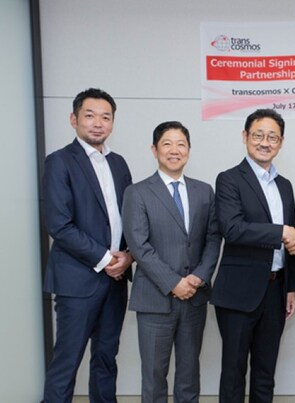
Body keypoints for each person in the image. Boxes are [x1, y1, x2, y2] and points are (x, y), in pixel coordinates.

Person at [42, 88, 133, 403]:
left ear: (112, 123)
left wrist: (128, 256)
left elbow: (129, 218)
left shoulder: (119, 164)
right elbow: (60, 225)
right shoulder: (59, 162)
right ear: (74, 119)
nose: (98, 123)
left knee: (106, 359)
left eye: (105, 117)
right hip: (78, 281)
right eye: (90, 115)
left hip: (116, 281)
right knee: (67, 362)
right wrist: (107, 259)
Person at [122, 121, 221, 403]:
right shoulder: (137, 192)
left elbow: (213, 238)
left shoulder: (204, 191)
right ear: (154, 150)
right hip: (155, 299)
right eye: (167, 144)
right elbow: (139, 246)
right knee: (154, 377)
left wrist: (199, 277)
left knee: (189, 376)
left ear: (189, 150)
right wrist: (173, 282)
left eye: (181, 144)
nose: (174, 150)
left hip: (194, 297)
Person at [210, 109, 295, 403]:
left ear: (281, 142)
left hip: (275, 292)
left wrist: (291, 286)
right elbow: (233, 229)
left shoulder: (284, 185)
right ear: (245, 136)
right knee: (234, 373)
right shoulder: (229, 179)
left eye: (272, 137)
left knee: (265, 373)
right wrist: (281, 232)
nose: (265, 142)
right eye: (258, 135)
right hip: (238, 293)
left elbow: (291, 239)